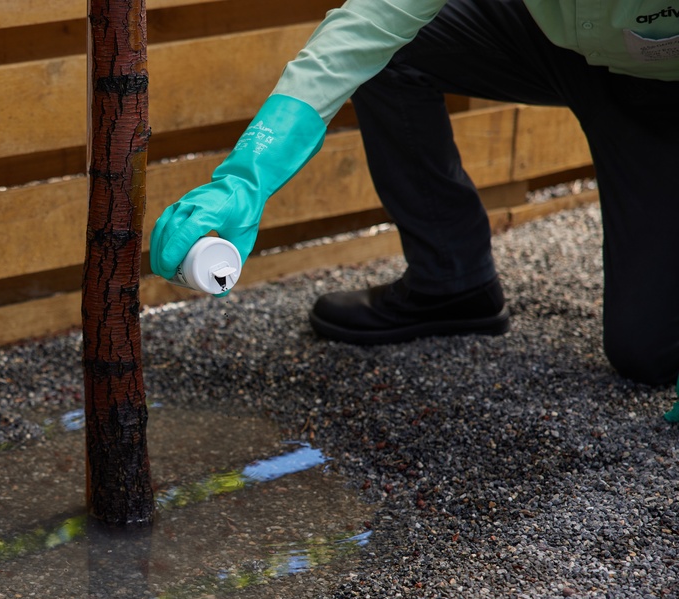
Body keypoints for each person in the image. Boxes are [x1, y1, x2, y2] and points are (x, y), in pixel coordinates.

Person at [149, 0, 679, 386]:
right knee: (394, 49)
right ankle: (452, 282)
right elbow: (365, 27)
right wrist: (249, 175)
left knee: (648, 354)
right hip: (554, 35)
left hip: (661, 90)